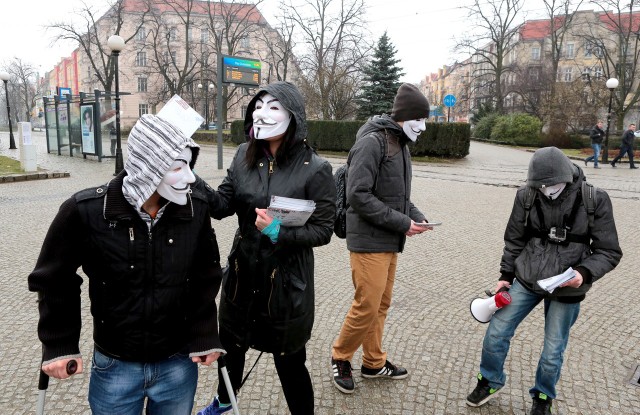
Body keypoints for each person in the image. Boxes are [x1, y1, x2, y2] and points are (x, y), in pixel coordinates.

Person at [28, 113, 225, 414]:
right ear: (146, 167)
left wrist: (204, 334)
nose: (189, 177)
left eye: (189, 165)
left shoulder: (194, 209)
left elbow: (204, 276)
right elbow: (55, 279)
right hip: (115, 367)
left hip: (177, 365)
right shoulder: (86, 211)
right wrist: (59, 344)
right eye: (177, 166)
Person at [195, 81, 336, 415]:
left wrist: (276, 230)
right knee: (231, 347)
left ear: (294, 116)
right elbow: (220, 205)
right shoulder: (244, 159)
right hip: (242, 275)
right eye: (258, 105)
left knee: (290, 362)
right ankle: (225, 402)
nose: (262, 112)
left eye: (274, 107)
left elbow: (323, 231)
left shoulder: (315, 169)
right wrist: (189, 176)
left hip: (286, 285)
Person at [465, 147, 622, 415]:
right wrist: (505, 276)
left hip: (567, 286)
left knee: (553, 349)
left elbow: (609, 251)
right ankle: (489, 380)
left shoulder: (594, 199)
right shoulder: (527, 194)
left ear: (567, 177)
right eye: (540, 185)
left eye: (551, 185)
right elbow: (515, 239)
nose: (546, 190)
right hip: (527, 277)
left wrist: (583, 273)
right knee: (496, 332)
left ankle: (543, 396)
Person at [330, 83, 434, 394]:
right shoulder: (372, 143)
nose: (424, 126)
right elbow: (358, 196)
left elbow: (398, 196)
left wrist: (416, 215)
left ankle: (373, 362)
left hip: (388, 239)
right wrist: (403, 223)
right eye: (420, 118)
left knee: (381, 304)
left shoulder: (400, 145)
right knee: (367, 305)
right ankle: (340, 356)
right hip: (368, 242)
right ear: (405, 117)